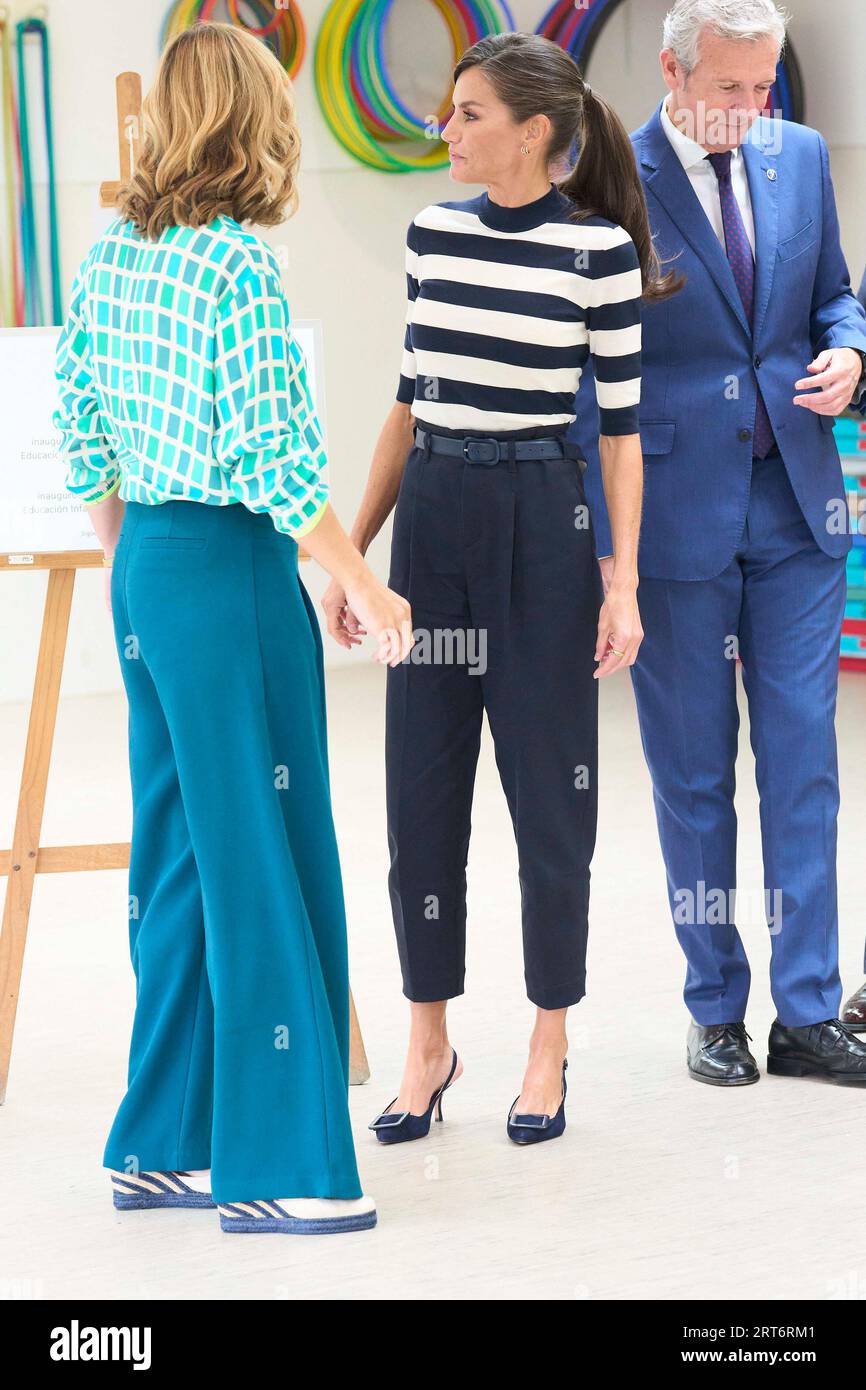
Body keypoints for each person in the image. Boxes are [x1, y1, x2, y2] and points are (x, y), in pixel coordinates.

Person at [53, 23, 413, 1235]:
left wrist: (133, 571)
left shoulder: (110, 257)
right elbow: (275, 458)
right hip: (228, 565)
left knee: (179, 858)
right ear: (253, 120)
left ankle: (166, 1139)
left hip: (148, 563)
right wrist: (363, 576)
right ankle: (279, 1163)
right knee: (261, 843)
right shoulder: (237, 269)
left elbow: (86, 433)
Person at [322, 32, 679, 1145]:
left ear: (533, 131)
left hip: (541, 532)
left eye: (467, 113)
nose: (447, 128)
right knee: (418, 797)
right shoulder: (431, 232)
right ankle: (428, 1042)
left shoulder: (598, 254)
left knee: (547, 800)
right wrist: (357, 551)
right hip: (432, 531)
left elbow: (619, 435)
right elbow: (405, 403)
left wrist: (618, 582)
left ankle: (546, 1038)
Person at [572, 0, 866, 1085]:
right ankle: (713, 1008)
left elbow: (834, 296)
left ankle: (804, 1010)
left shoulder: (796, 156)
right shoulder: (607, 176)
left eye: (764, 87)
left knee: (803, 768)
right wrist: (609, 558)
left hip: (795, 509)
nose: (751, 111)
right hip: (670, 517)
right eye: (730, 88)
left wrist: (849, 354)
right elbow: (584, 379)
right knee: (693, 774)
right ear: (671, 69)